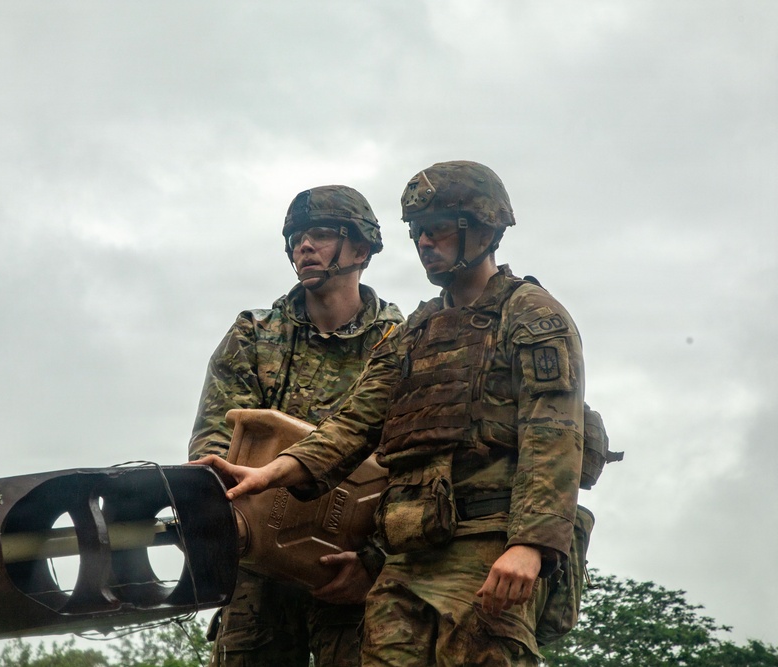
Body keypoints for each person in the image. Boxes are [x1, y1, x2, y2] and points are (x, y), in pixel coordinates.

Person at [195, 161, 586, 666]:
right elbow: (354, 424)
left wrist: (529, 545)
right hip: (409, 555)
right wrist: (271, 473)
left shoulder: (532, 316)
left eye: (439, 229)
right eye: (417, 232)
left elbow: (553, 438)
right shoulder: (415, 332)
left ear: (486, 230)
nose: (425, 242)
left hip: (486, 543)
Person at [189, 185, 404, 667]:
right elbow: (216, 439)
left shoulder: (402, 341)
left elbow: (415, 465)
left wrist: (373, 559)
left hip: (350, 571)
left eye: (321, 234)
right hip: (258, 568)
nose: (303, 246)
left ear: (362, 248)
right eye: (295, 238)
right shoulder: (254, 333)